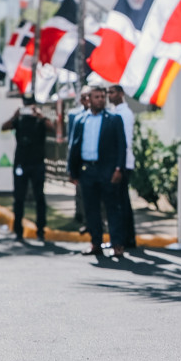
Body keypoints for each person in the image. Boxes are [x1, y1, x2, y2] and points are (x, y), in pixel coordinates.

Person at [67, 83, 131, 257]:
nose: (101, 100)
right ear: (89, 99)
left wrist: (119, 169)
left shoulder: (114, 119)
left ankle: (117, 244)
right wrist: (72, 171)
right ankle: (96, 243)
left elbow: (122, 146)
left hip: (107, 170)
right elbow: (73, 146)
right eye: (97, 97)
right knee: (91, 208)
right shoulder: (80, 120)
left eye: (103, 96)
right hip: (87, 170)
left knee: (112, 208)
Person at [9, 98, 53, 243]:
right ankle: (18, 231)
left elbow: (52, 128)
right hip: (21, 163)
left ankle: (41, 230)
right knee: (18, 198)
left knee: (39, 197)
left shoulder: (40, 120)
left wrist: (41, 116)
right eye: (26, 106)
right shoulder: (19, 120)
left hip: (37, 163)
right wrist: (15, 116)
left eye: (31, 106)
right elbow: (4, 127)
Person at [105, 85, 140, 255]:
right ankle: (124, 238)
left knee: (121, 203)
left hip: (123, 164)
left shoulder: (123, 114)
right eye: (108, 93)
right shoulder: (115, 112)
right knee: (121, 202)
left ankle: (126, 239)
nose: (109, 95)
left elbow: (123, 142)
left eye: (112, 92)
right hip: (120, 163)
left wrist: (119, 166)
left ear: (121, 94)